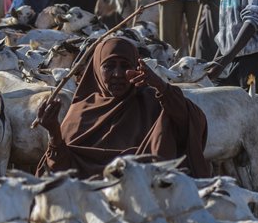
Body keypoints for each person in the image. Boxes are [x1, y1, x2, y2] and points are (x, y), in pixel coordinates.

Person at [35, 37, 211, 179]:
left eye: (125, 66)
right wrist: (54, 133)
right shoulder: (80, 113)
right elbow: (59, 171)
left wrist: (160, 86)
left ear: (136, 67)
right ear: (97, 69)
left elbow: (189, 120)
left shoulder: (152, 102)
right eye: (109, 67)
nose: (118, 74)